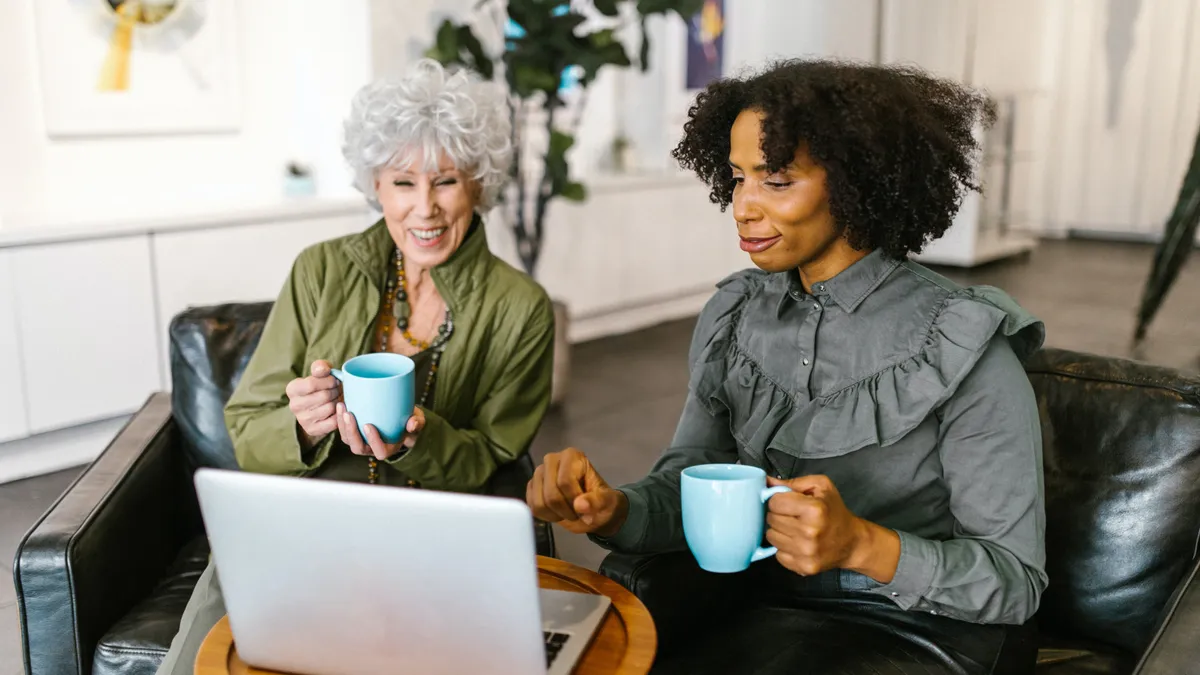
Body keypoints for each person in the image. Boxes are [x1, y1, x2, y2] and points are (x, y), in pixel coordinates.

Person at [528, 58, 1047, 674]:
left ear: (857, 182)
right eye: (737, 176)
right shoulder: (736, 312)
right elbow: (693, 482)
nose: (743, 207)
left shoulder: (962, 339)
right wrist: (613, 509)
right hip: (758, 604)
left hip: (918, 630)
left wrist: (861, 544)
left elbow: (1014, 582)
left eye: (776, 182)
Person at [154, 59, 555, 675]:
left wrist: (415, 443)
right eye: (403, 183)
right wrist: (304, 424)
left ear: (479, 182)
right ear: (375, 186)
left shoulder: (521, 309)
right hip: (299, 521)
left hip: (427, 530)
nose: (425, 209)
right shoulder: (320, 270)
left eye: (445, 181)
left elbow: (491, 456)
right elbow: (248, 427)